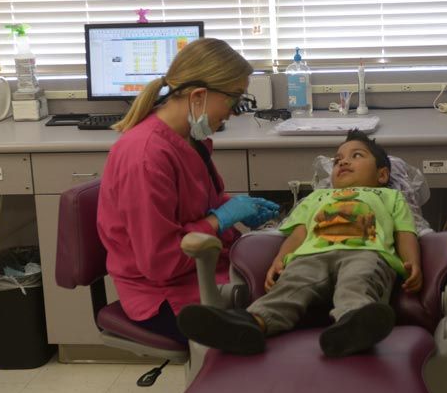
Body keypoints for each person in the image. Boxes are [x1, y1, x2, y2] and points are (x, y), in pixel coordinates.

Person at [97, 38, 279, 345]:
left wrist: (233, 207)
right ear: (198, 96)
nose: (235, 113)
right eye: (233, 100)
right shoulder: (146, 156)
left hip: (207, 269)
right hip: (167, 296)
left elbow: (197, 203)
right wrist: (220, 219)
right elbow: (160, 262)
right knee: (279, 325)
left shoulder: (191, 139)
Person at [177, 129, 422, 357]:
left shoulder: (390, 196)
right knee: (290, 285)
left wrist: (412, 262)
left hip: (366, 252)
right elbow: (298, 233)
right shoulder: (317, 197)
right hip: (311, 256)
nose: (343, 162)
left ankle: (353, 327)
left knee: (359, 281)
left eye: (356, 156)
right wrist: (280, 259)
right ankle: (250, 324)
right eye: (337, 160)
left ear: (382, 174)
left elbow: (405, 232)